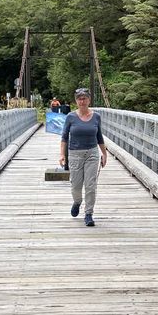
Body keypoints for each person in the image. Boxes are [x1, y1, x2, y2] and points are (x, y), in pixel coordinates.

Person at [59, 87, 107, 227]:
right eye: (79, 99)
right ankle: (77, 202)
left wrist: (104, 153)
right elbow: (64, 137)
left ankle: (88, 214)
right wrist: (62, 154)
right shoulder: (71, 117)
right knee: (76, 185)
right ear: (76, 101)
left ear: (89, 99)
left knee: (91, 185)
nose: (82, 101)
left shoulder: (96, 116)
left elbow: (99, 136)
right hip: (74, 154)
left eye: (85, 98)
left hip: (92, 153)